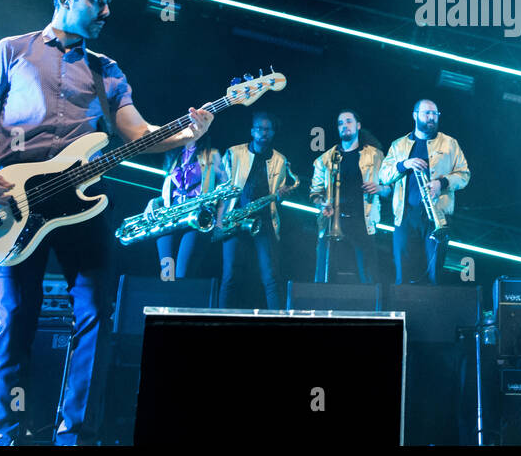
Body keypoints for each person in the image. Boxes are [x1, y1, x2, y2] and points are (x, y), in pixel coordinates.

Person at [0, 0, 213, 445]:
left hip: (84, 205)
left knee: (96, 314)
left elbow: (137, 134)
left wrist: (187, 132)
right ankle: (9, 435)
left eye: (107, 1)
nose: (106, 10)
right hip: (14, 200)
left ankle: (74, 434)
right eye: (97, 0)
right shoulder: (11, 51)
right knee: (15, 318)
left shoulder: (107, 69)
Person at [380, 99, 470, 285]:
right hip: (405, 216)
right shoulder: (399, 145)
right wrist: (404, 164)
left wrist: (442, 183)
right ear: (415, 115)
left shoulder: (450, 143)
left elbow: (464, 174)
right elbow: (383, 176)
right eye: (426, 113)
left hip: (437, 216)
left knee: (435, 275)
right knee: (403, 273)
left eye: (434, 114)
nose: (431, 117)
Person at [217, 111, 300, 308]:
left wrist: (281, 196)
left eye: (267, 129)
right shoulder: (233, 153)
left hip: (264, 222)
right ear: (252, 131)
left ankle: (277, 323)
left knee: (271, 277)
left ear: (272, 133)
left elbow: (276, 196)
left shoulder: (280, 160)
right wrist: (220, 221)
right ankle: (220, 322)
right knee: (230, 275)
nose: (263, 133)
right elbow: (220, 189)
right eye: (259, 129)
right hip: (235, 219)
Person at [309, 110, 386, 284]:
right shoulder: (325, 158)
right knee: (324, 272)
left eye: (349, 121)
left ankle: (372, 309)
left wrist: (379, 188)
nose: (345, 126)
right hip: (331, 222)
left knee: (369, 274)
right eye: (341, 123)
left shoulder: (375, 155)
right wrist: (322, 204)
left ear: (358, 126)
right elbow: (315, 192)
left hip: (363, 222)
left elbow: (391, 188)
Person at [155, 134, 226, 281]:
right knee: (166, 275)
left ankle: (179, 302)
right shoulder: (172, 155)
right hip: (170, 216)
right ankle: (165, 302)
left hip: (196, 217)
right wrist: (153, 203)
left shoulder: (212, 154)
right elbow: (168, 193)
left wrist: (219, 223)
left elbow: (223, 192)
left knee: (183, 274)